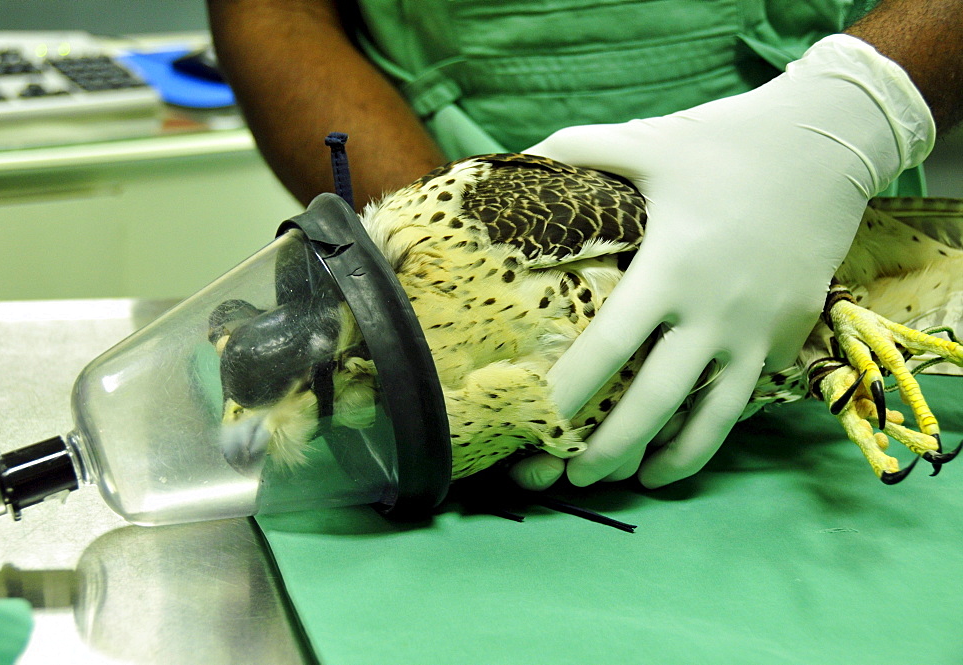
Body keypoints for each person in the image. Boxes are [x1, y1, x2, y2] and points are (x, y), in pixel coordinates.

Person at [206, 0, 962, 491]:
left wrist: (866, 101)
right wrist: (415, 327)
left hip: (834, 174)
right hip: (437, 145)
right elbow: (276, 13)